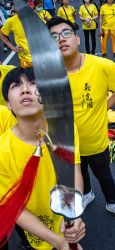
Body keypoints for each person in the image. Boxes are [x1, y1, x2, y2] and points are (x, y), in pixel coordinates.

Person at [47, 16, 115, 221]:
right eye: (53, 37)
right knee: (82, 174)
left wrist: (104, 105)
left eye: (66, 33)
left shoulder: (101, 65)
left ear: (77, 39)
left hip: (96, 142)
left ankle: (113, 203)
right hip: (71, 144)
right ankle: (87, 194)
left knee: (104, 176)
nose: (61, 39)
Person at [0, 67, 85, 250]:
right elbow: (16, 208)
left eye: (33, 83)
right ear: (8, 103)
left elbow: (74, 172)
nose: (25, 89)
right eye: (16, 85)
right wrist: (58, 241)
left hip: (62, 215)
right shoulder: (2, 151)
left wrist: (74, 216)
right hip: (30, 221)